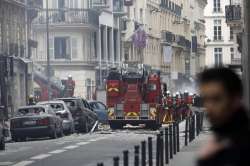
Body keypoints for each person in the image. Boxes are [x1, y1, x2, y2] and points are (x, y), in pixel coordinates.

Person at [197, 67, 250, 166]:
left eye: (216, 99)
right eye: (205, 99)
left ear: (235, 99)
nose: (209, 107)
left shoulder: (239, 150)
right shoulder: (221, 141)